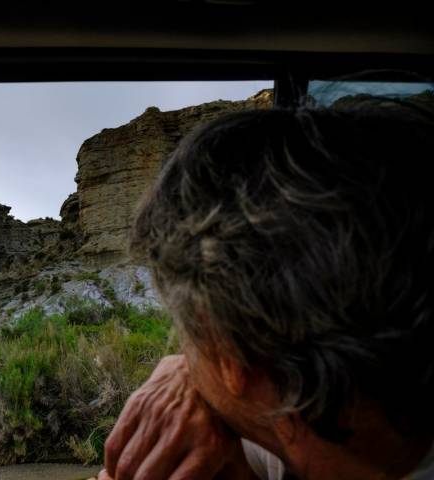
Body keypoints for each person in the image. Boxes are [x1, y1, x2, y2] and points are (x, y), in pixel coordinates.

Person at [97, 96, 434, 479]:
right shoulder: (303, 431)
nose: (179, 356)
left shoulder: (281, 427)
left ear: (230, 354)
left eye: (186, 332)